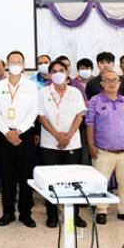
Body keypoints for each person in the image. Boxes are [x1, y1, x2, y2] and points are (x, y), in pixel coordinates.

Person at [86, 70, 124, 225]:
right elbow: (89, 124)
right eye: (107, 80)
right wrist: (90, 145)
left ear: (119, 83)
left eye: (114, 80)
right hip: (103, 151)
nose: (111, 83)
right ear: (102, 84)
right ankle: (101, 210)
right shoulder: (95, 101)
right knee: (100, 183)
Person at [38, 60, 87, 228]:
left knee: (72, 180)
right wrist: (57, 135)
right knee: (51, 180)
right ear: (50, 74)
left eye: (61, 70)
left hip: (72, 143)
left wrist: (68, 136)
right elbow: (41, 117)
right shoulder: (43, 92)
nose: (58, 73)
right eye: (54, 71)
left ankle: (74, 215)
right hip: (49, 143)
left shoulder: (75, 92)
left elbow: (80, 115)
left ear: (67, 73)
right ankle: (52, 214)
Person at [0, 50, 39, 227]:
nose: (15, 65)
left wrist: (18, 131)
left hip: (24, 135)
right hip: (5, 135)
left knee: (26, 175)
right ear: (7, 65)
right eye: (12, 62)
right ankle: (8, 212)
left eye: (18, 62)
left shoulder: (31, 86)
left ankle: (26, 213)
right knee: (7, 176)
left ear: (24, 65)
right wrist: (7, 132)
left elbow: (33, 111)